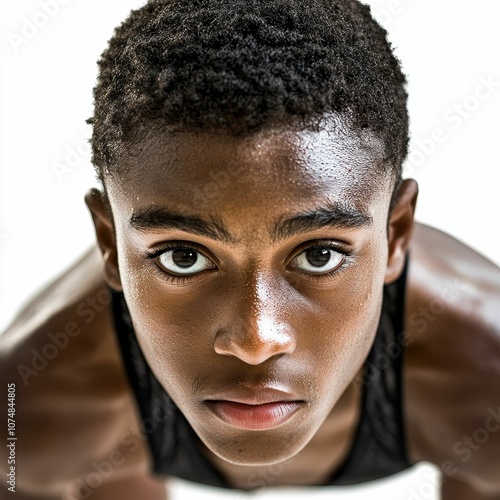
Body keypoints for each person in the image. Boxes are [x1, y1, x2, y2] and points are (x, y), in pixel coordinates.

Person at [1, 0, 499, 499]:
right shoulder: (34, 411)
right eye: (184, 256)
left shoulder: (480, 376)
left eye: (319, 255)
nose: (256, 339)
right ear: (109, 243)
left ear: (396, 236)